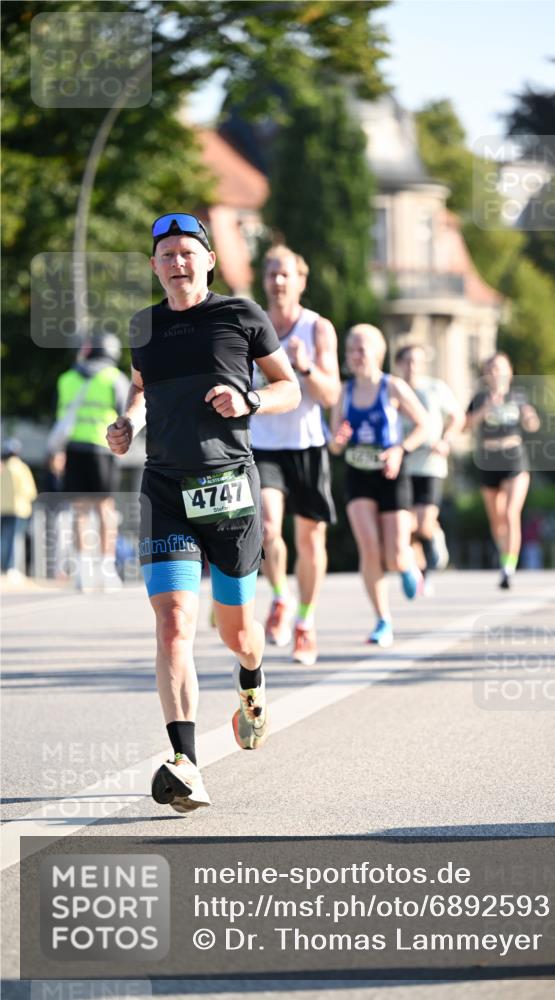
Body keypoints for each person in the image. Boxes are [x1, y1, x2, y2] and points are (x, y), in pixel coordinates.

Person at [107, 213, 300, 813]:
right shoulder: (144, 326)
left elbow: (288, 386)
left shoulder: (240, 315)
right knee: (173, 624)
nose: (178, 262)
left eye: (189, 252)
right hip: (164, 487)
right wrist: (127, 424)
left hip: (229, 489)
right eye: (166, 254)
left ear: (209, 260)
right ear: (154, 266)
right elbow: (142, 389)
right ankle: (185, 763)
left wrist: (250, 398)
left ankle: (251, 682)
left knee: (238, 633)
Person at [250, 245, 340, 668]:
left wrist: (305, 368)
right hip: (263, 444)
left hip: (307, 445)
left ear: (301, 281)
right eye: (271, 274)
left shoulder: (317, 329)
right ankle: (281, 600)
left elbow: (331, 394)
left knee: (310, 539)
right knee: (269, 528)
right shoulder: (252, 326)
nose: (278, 281)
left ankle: (305, 622)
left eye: (285, 274)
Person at [328, 324, 428, 647]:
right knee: (369, 547)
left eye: (361, 349)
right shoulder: (344, 392)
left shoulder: (393, 387)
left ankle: (409, 564)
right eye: (350, 350)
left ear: (377, 353)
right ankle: (383, 620)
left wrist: (401, 449)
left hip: (390, 474)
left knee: (396, 553)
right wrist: (340, 440)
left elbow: (425, 425)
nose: (355, 356)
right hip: (359, 475)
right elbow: (334, 445)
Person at [54, 333, 130, 591]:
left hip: (74, 448)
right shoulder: (114, 378)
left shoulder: (66, 379)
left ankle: (82, 570)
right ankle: (107, 569)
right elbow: (125, 413)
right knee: (105, 509)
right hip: (103, 449)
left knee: (80, 510)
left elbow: (60, 416)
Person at [464, 352, 540, 589]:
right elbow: (465, 425)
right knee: (497, 520)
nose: (496, 372)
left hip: (514, 460)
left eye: (500, 368)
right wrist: (486, 408)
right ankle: (504, 552)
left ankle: (508, 568)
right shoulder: (479, 398)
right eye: (492, 368)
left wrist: (529, 417)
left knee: (510, 513)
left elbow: (532, 424)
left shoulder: (518, 396)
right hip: (488, 461)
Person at [394, 343, 464, 583]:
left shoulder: (435, 388)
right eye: (408, 361)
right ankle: (419, 573)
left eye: (417, 361)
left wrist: (446, 439)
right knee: (406, 524)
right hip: (402, 463)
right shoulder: (393, 388)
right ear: (399, 364)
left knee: (423, 522)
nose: (413, 366)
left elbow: (457, 417)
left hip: (430, 463)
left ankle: (435, 534)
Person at [0, 438, 37, 578]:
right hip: (19, 509)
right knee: (15, 540)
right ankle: (11, 568)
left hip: (2, 509)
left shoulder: (2, 468)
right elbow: (30, 491)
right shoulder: (21, 468)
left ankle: (3, 567)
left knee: (3, 539)